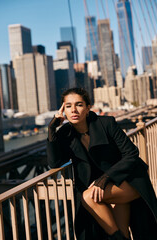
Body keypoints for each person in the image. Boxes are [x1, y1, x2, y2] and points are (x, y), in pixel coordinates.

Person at [47, 87, 157, 240]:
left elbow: (131, 153)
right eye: (68, 106)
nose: (74, 110)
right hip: (105, 187)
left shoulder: (106, 123)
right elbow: (55, 163)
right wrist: (51, 129)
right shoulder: (66, 133)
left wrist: (105, 178)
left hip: (129, 180)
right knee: (122, 229)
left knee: (88, 197)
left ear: (87, 108)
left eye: (79, 105)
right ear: (63, 110)